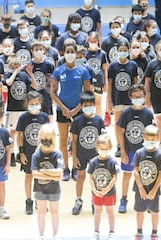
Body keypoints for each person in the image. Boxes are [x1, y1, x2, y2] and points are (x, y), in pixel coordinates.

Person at [50, 39, 91, 181]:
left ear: (75, 53)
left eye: (72, 52)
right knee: (62, 140)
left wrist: (76, 109)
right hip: (63, 111)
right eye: (67, 52)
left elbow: (87, 93)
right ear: (63, 53)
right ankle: (65, 168)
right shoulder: (58, 71)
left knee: (76, 140)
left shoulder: (83, 71)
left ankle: (75, 167)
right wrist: (64, 109)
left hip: (78, 111)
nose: (70, 54)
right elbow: (53, 93)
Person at [116, 84, 154, 214]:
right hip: (129, 150)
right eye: (135, 96)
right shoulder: (126, 113)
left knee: (145, 177)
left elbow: (152, 133)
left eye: (140, 96)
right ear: (130, 97)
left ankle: (147, 199)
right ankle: (124, 199)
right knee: (127, 175)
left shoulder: (148, 113)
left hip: (144, 152)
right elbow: (120, 131)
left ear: (144, 97)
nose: (138, 98)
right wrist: (123, 152)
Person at [70, 91, 105, 215]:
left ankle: (95, 200)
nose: (88, 107)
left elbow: (103, 140)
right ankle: (78, 200)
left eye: (90, 105)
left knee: (95, 178)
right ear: (81, 106)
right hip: (81, 154)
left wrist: (103, 156)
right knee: (81, 177)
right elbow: (73, 141)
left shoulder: (99, 120)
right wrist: (74, 158)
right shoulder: (77, 121)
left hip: (96, 156)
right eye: (85, 105)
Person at [16, 91, 49, 215]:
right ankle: (29, 200)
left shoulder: (44, 117)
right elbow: (19, 135)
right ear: (27, 104)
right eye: (31, 104)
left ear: (40, 103)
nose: (34, 105)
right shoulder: (23, 117)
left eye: (36, 103)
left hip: (42, 153)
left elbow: (48, 134)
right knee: (29, 176)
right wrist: (21, 153)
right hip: (28, 153)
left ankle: (39, 200)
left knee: (41, 177)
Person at [31, 123, 64, 240]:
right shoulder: (36, 154)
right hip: (40, 189)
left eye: (49, 139)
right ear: (39, 138)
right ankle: (41, 235)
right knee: (41, 211)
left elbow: (59, 171)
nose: (46, 141)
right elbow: (34, 173)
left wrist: (43, 171)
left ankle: (55, 234)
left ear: (54, 138)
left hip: (54, 189)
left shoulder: (57, 154)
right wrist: (53, 176)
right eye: (43, 139)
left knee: (54, 211)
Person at [107, 40, 138, 158]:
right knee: (118, 123)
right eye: (121, 50)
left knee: (130, 124)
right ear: (117, 51)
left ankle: (130, 145)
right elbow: (109, 85)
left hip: (130, 100)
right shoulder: (113, 66)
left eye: (125, 50)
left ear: (128, 51)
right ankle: (120, 146)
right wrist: (109, 101)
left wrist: (137, 99)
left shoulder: (133, 65)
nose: (123, 52)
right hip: (117, 99)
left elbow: (135, 84)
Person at [132, 125, 161, 240]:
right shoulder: (139, 153)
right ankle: (139, 231)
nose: (150, 142)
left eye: (153, 140)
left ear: (157, 139)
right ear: (144, 138)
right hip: (140, 190)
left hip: (153, 190)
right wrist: (140, 188)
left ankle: (154, 232)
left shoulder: (160, 155)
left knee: (155, 211)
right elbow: (135, 171)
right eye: (148, 139)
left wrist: (154, 190)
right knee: (140, 211)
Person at [88, 134, 118, 240]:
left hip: (110, 193)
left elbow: (115, 177)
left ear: (110, 148)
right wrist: (94, 189)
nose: (104, 151)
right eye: (101, 149)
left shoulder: (112, 162)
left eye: (106, 149)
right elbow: (91, 177)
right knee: (97, 211)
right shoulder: (93, 162)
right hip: (97, 193)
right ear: (97, 148)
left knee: (110, 212)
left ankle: (112, 232)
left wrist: (107, 189)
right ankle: (96, 231)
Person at [30, 40, 55, 120]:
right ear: (32, 51)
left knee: (48, 119)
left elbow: (52, 82)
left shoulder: (49, 64)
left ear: (44, 50)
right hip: (33, 96)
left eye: (40, 49)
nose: (39, 51)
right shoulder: (29, 65)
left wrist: (53, 95)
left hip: (46, 96)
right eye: (36, 50)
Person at [86, 31, 108, 117]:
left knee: (98, 103)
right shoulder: (85, 54)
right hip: (87, 82)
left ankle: (99, 122)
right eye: (91, 41)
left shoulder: (102, 54)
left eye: (95, 41)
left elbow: (105, 69)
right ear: (88, 41)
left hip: (99, 81)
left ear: (98, 41)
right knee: (88, 103)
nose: (93, 43)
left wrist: (106, 82)